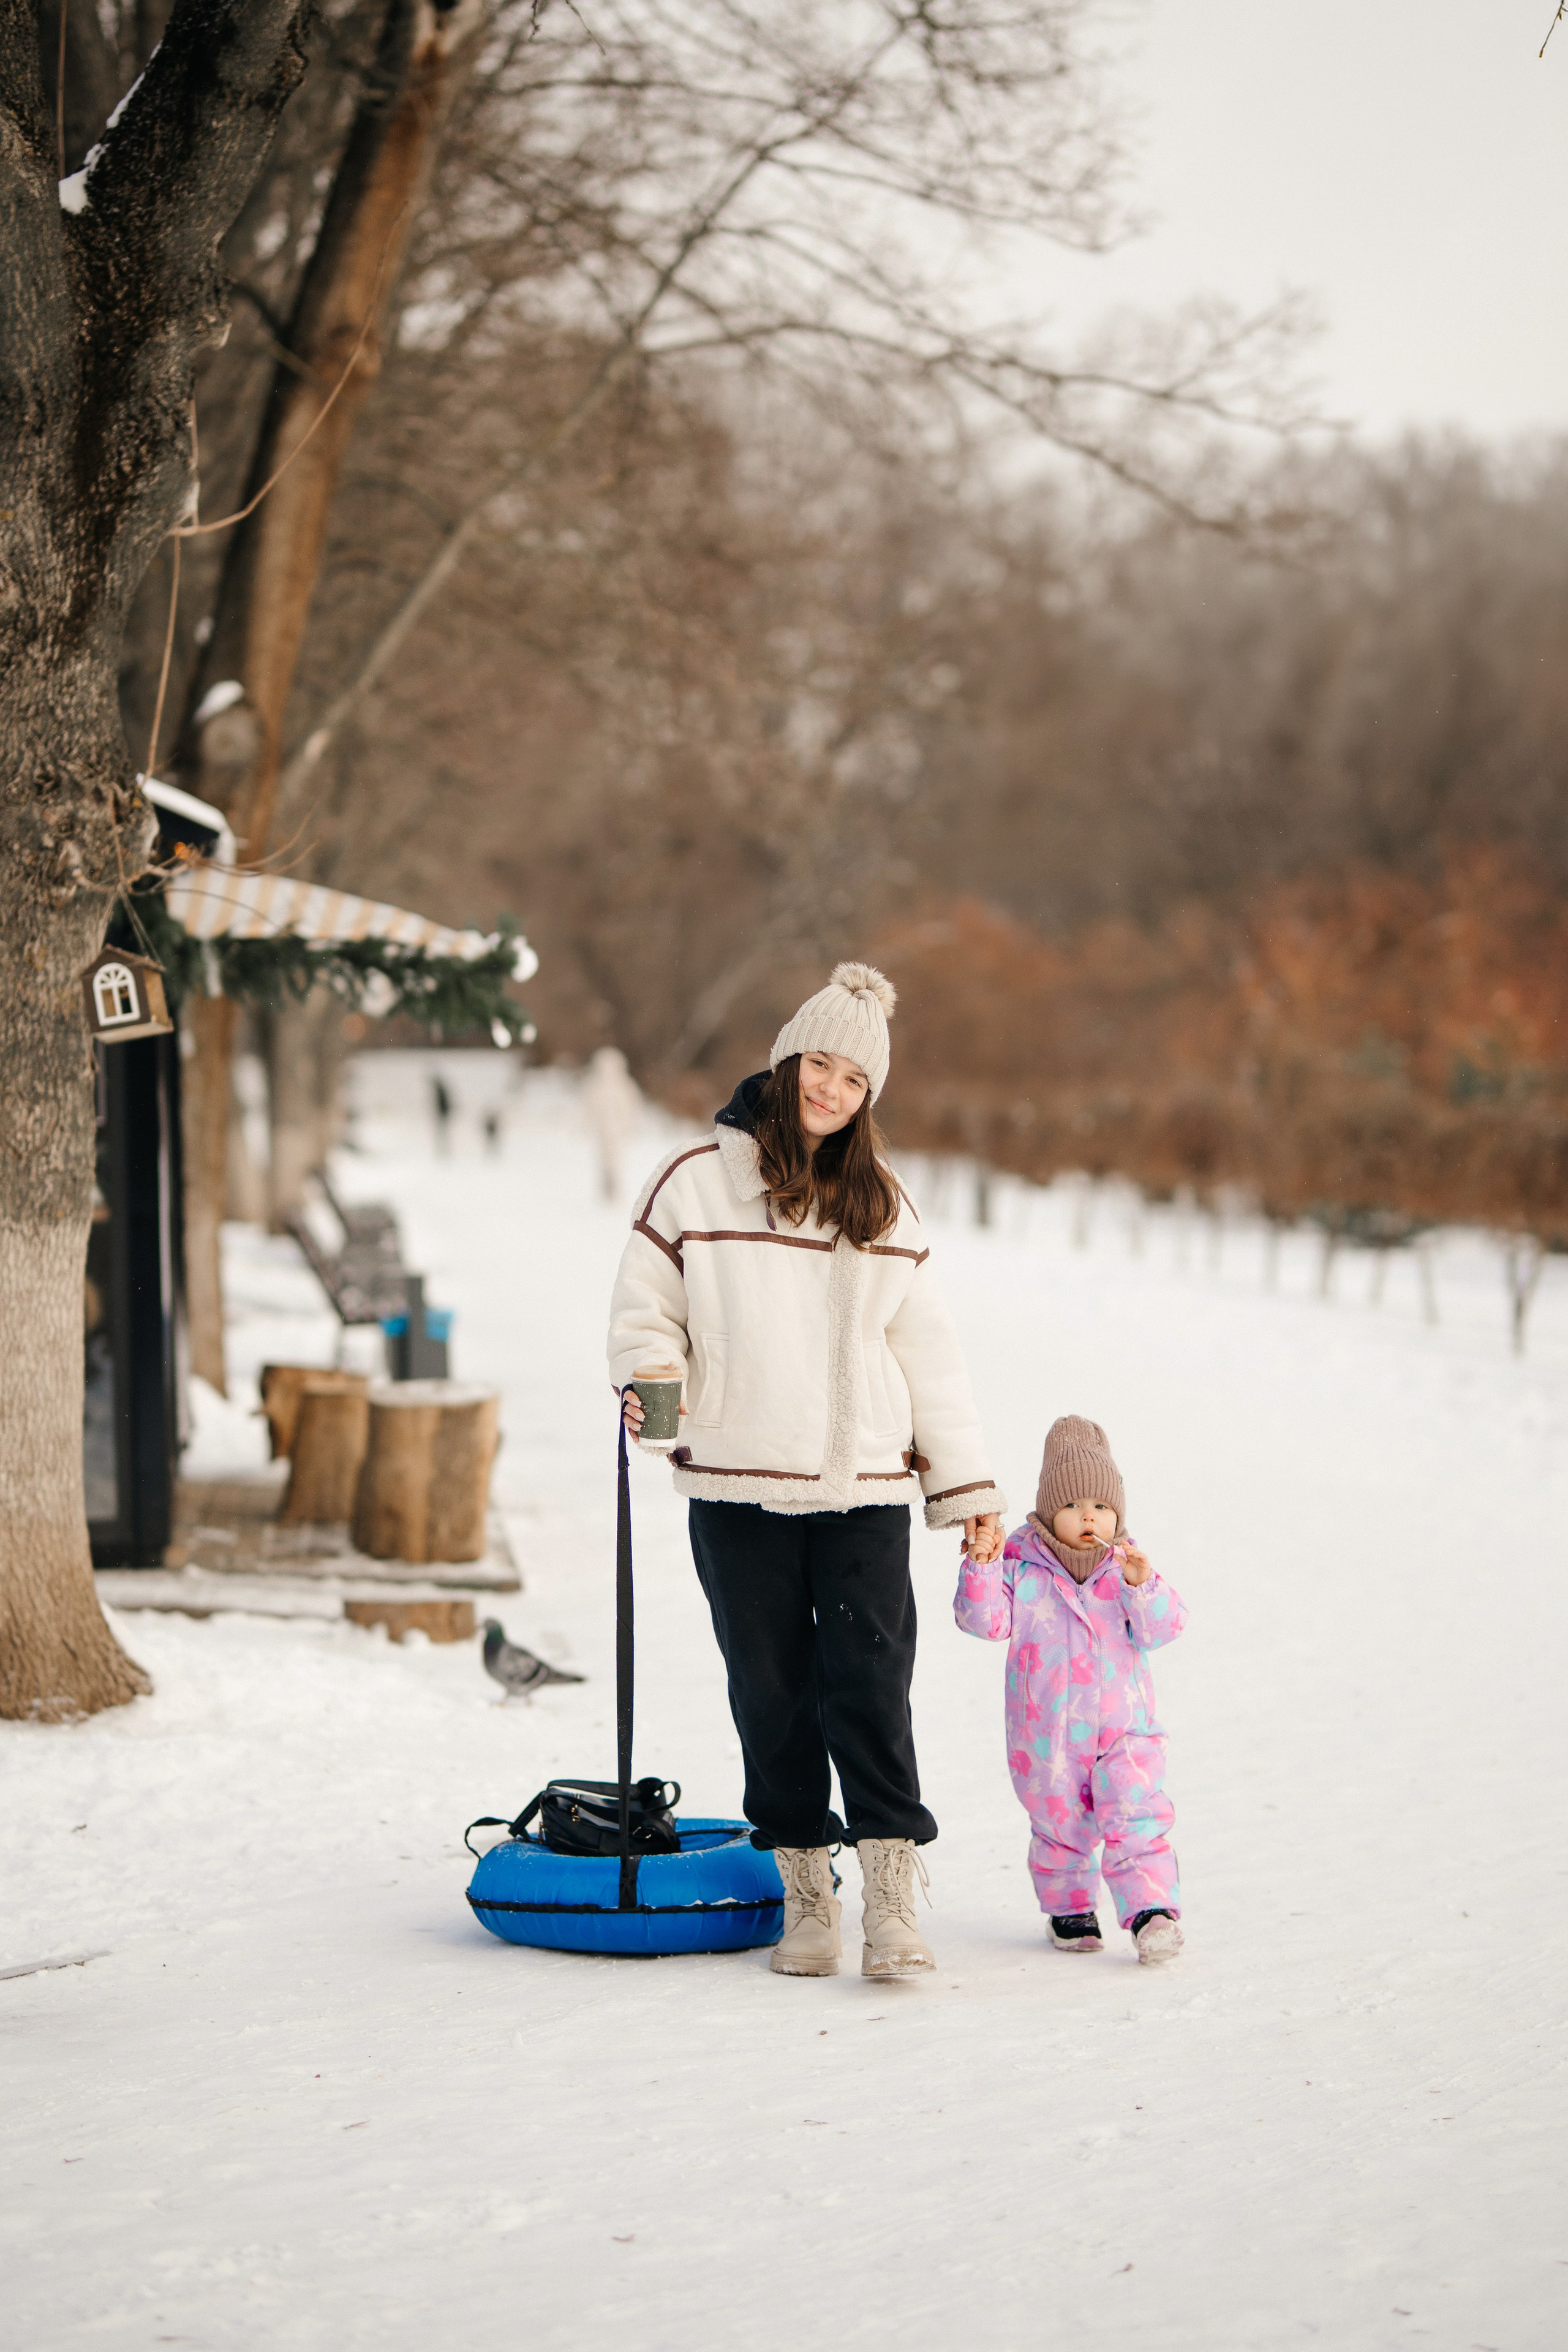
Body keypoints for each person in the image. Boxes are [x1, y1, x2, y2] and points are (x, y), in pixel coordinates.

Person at [607, 963, 1005, 1981]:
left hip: (862, 1486)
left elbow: (930, 1357)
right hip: (737, 1487)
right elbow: (648, 1307)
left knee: (872, 1689)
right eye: (817, 1065)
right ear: (785, 1063)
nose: (830, 1089)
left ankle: (891, 1906)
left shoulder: (885, 1204)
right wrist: (656, 1392)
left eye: (852, 1079)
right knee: (772, 1692)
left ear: (870, 1097)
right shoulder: (696, 1178)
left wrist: (966, 1491)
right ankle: (806, 1900)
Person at [954, 1414, 1186, 1966]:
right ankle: (1071, 1908)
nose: (1090, 1516)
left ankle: (1152, 1913)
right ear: (1046, 1513)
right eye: (1075, 1505)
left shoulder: (1124, 1570)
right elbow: (983, 1622)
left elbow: (1165, 1629)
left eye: (1102, 1507)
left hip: (1123, 1733)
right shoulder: (1022, 1569)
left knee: (1136, 1814)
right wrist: (982, 1567)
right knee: (1058, 1822)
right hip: (1045, 1735)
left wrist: (1143, 1586)